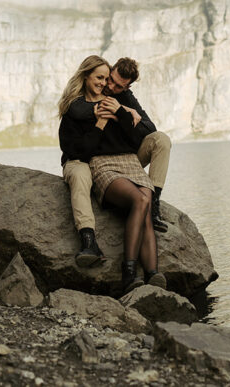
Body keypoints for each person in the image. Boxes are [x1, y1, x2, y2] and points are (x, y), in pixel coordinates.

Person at [58, 55, 166, 292]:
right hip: (103, 163)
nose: (107, 84)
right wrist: (103, 120)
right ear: (88, 76)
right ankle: (128, 273)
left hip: (129, 161)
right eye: (104, 79)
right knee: (139, 199)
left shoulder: (117, 100)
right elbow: (83, 145)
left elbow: (139, 134)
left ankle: (152, 274)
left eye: (110, 81)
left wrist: (125, 113)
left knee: (146, 202)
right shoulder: (81, 106)